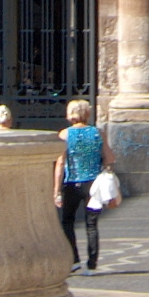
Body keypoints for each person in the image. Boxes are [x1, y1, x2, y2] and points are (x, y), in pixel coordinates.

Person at [56, 97, 106, 274]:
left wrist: (56, 191)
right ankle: (92, 264)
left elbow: (61, 164)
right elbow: (110, 156)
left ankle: (74, 260)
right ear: (87, 113)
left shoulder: (65, 134)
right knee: (91, 224)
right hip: (93, 184)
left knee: (67, 221)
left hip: (72, 183)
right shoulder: (97, 133)